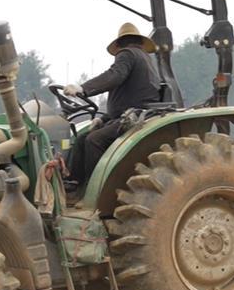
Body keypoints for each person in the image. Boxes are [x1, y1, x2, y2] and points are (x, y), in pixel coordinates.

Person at [62, 22, 162, 188]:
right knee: (81, 139)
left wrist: (83, 88)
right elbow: (130, 97)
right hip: (130, 112)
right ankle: (73, 184)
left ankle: (95, 189)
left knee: (94, 140)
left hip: (135, 116)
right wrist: (103, 119)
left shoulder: (128, 54)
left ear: (120, 44)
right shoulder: (144, 58)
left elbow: (114, 76)